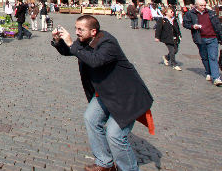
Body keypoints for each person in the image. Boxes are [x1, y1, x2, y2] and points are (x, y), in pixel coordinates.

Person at [52, 15, 153, 171]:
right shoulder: (86, 40)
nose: (77, 32)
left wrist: (71, 42)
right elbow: (71, 51)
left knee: (115, 135)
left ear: (93, 31)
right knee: (91, 119)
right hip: (105, 93)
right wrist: (59, 41)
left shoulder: (107, 42)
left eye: (80, 29)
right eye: (76, 29)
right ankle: (104, 162)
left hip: (125, 95)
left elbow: (94, 60)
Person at [182, 0, 222, 86]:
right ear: (196, 5)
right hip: (200, 38)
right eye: (201, 5)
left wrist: (220, 35)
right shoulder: (190, 13)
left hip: (212, 38)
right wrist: (193, 26)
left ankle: (216, 78)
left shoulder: (211, 12)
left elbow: (217, 25)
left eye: (204, 5)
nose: (203, 7)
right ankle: (208, 72)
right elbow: (185, 23)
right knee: (204, 57)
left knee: (213, 57)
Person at [155, 7, 182, 71]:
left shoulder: (174, 20)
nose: (173, 13)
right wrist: (157, 37)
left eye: (173, 11)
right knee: (172, 50)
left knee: (176, 50)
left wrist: (179, 35)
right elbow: (158, 29)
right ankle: (174, 64)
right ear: (166, 13)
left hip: (175, 37)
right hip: (167, 38)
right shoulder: (162, 20)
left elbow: (177, 29)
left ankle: (166, 57)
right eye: (171, 12)